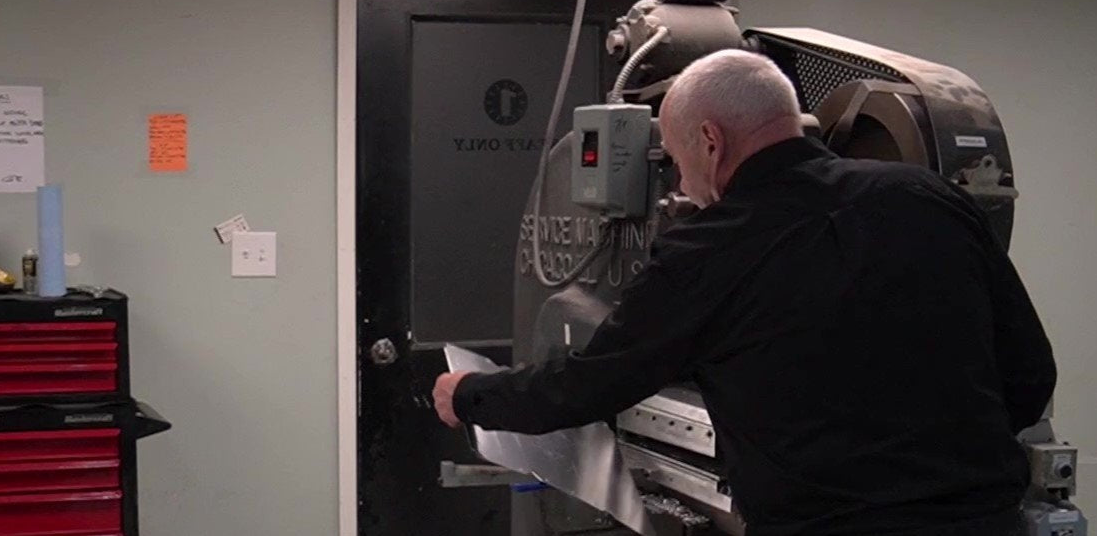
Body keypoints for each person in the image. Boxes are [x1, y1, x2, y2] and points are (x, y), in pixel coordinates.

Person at [433, 49, 1056, 536]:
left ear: (711, 140)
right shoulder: (932, 200)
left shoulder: (711, 251)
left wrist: (473, 395)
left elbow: (588, 385)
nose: (681, 180)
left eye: (678, 159)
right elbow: (1030, 374)